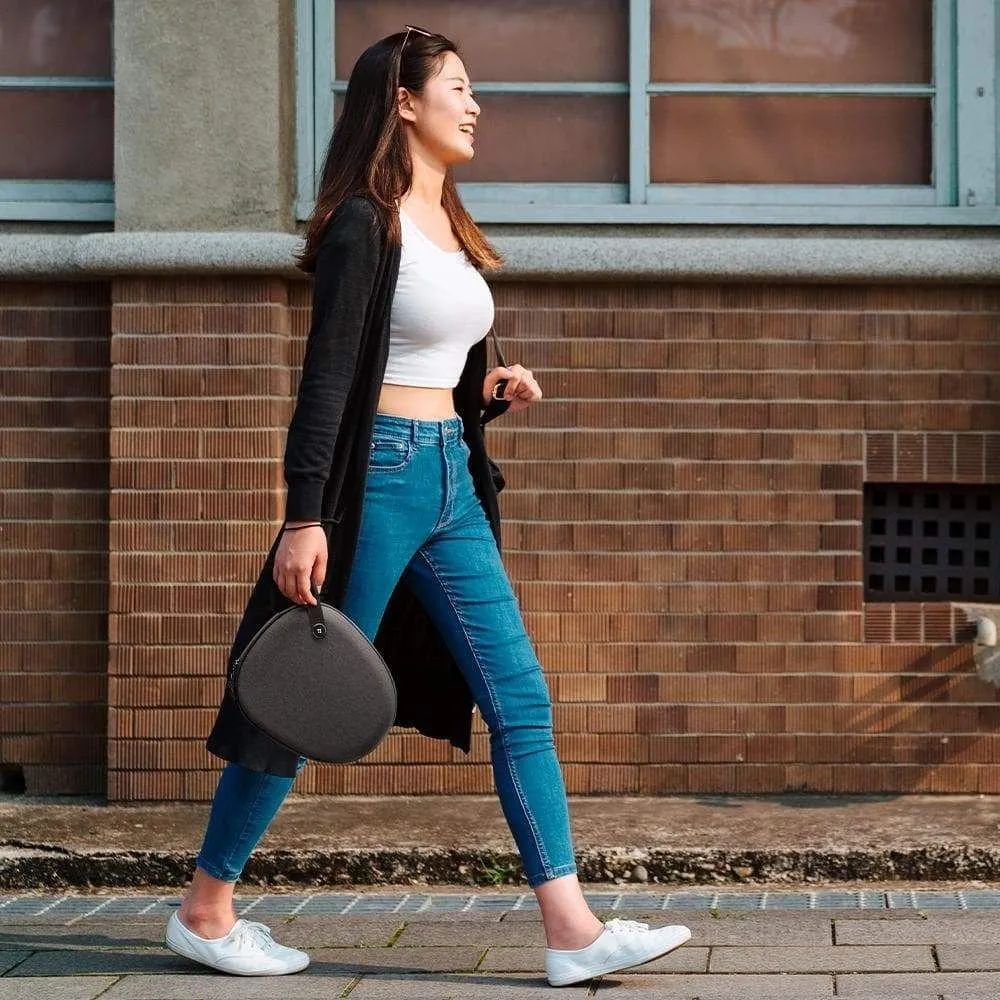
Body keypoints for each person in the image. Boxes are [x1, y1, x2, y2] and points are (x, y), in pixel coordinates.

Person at [163, 25, 691, 987]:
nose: (475, 103)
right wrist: (305, 514)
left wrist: (484, 393)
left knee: (518, 695)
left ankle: (570, 930)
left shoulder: (449, 216)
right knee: (301, 698)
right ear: (403, 102)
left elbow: (423, 367)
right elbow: (328, 382)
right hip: (380, 484)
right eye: (457, 86)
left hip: (449, 477)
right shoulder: (368, 223)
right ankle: (206, 907)